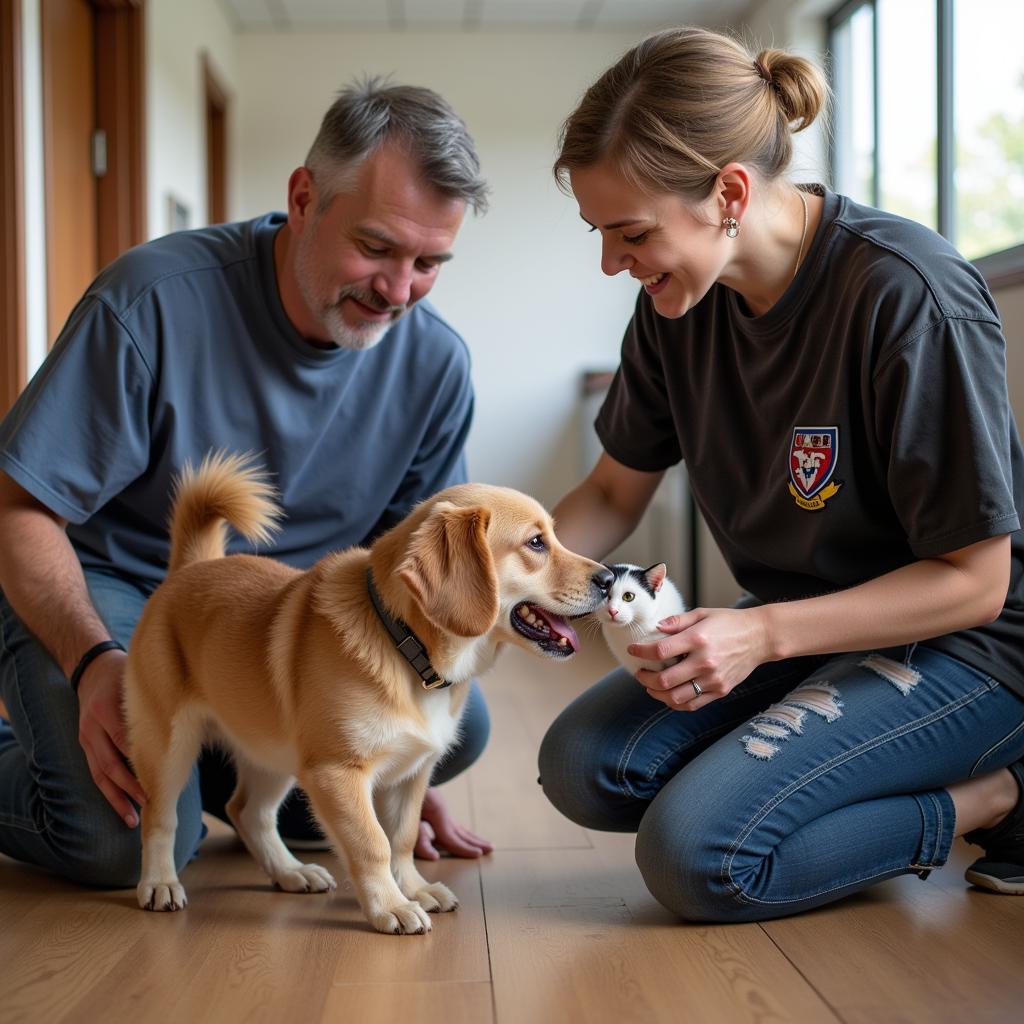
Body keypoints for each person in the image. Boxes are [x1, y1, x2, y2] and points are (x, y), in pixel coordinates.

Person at [538, 27, 1024, 921]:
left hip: (970, 649)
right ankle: (828, 783)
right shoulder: (674, 307)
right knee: (581, 767)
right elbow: (612, 493)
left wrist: (758, 639)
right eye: (599, 232)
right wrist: (503, 576)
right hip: (813, 633)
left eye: (631, 231)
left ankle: (1002, 796)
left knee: (696, 855)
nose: (613, 261)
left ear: (727, 193)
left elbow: (977, 582)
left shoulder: (907, 292)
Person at [0, 78, 494, 889]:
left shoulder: (436, 364)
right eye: (375, 248)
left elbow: (421, 577)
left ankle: (240, 791)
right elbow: (20, 509)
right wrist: (92, 663)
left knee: (457, 722)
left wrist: (399, 776)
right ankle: (54, 742)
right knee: (120, 839)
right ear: (305, 198)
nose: (399, 291)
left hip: (289, 626)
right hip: (113, 592)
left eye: (429, 263)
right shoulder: (150, 301)